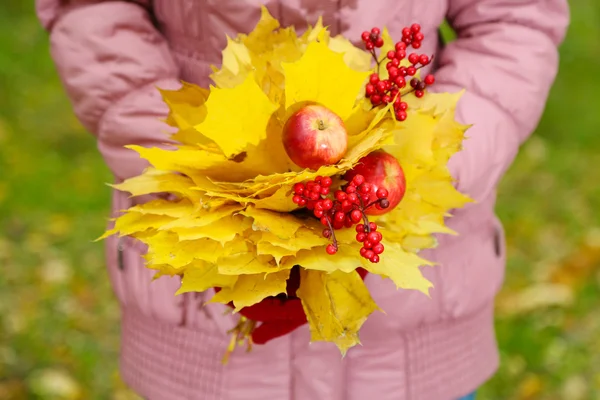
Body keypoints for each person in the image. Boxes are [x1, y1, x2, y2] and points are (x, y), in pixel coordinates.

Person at [35, 0, 569, 399]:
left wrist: (428, 166)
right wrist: (181, 159)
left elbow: (516, 18)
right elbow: (92, 11)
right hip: (206, 288)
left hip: (408, 313)